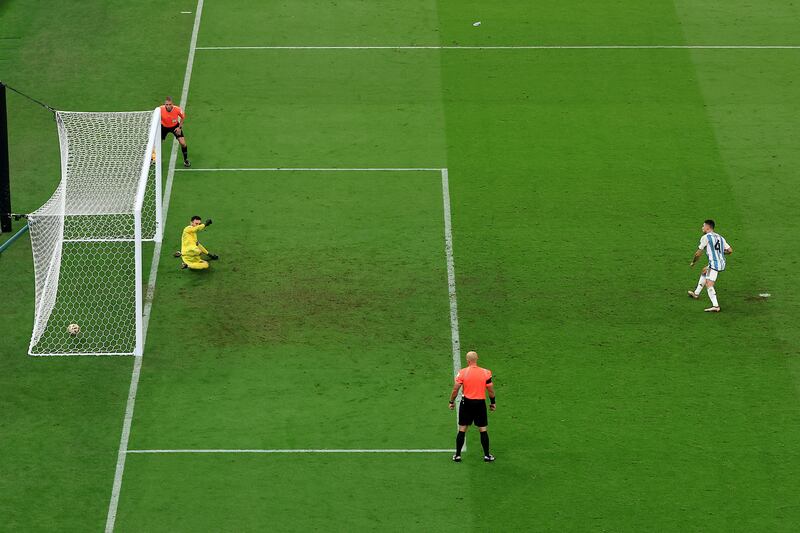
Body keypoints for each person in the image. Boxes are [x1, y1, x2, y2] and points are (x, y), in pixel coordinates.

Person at [449, 351, 496, 462]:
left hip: (466, 403)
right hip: (480, 403)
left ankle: (457, 455)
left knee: (462, 429)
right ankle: (487, 455)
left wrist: (451, 401)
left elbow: (456, 389)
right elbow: (490, 389)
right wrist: (493, 402)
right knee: (483, 429)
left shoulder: (462, 372)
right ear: (477, 359)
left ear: (467, 360)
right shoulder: (486, 373)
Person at [688, 219, 732, 312]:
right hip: (721, 263)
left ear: (708, 227)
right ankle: (696, 293)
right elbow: (730, 250)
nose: (702, 227)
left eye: (703, 226)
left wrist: (693, 262)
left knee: (709, 284)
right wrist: (720, 253)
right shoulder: (720, 237)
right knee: (704, 271)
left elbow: (698, 253)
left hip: (714, 264)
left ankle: (716, 306)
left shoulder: (706, 237)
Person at [160, 96, 191, 167]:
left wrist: (179, 128)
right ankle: (154, 159)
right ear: (164, 104)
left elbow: (183, 117)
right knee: (157, 144)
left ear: (172, 104)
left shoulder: (177, 109)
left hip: (175, 126)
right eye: (166, 104)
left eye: (170, 104)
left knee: (183, 143)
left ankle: (185, 160)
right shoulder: (160, 109)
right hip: (164, 127)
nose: (168, 106)